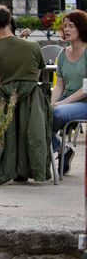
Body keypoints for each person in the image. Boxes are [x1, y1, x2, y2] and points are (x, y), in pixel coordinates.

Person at [0, 5, 51, 186]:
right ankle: (29, 169)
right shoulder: (33, 46)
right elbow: (38, 72)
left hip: (0, 106)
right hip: (33, 105)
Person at [50, 9, 87, 174]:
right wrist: (51, 103)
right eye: (64, 26)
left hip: (84, 102)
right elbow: (59, 86)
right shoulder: (63, 54)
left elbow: (86, 88)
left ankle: (53, 148)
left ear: (81, 28)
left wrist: (61, 103)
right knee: (38, 116)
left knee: (56, 114)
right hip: (67, 99)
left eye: (71, 26)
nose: (66, 29)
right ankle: (61, 149)